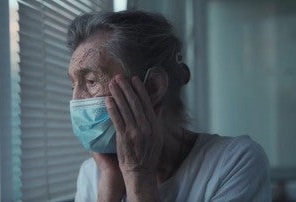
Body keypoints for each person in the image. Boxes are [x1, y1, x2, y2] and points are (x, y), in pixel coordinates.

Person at [67, 10, 271, 201]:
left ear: (153, 87)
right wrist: (109, 189)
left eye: (91, 81)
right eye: (73, 84)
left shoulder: (235, 162)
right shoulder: (93, 172)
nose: (76, 99)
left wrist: (138, 175)